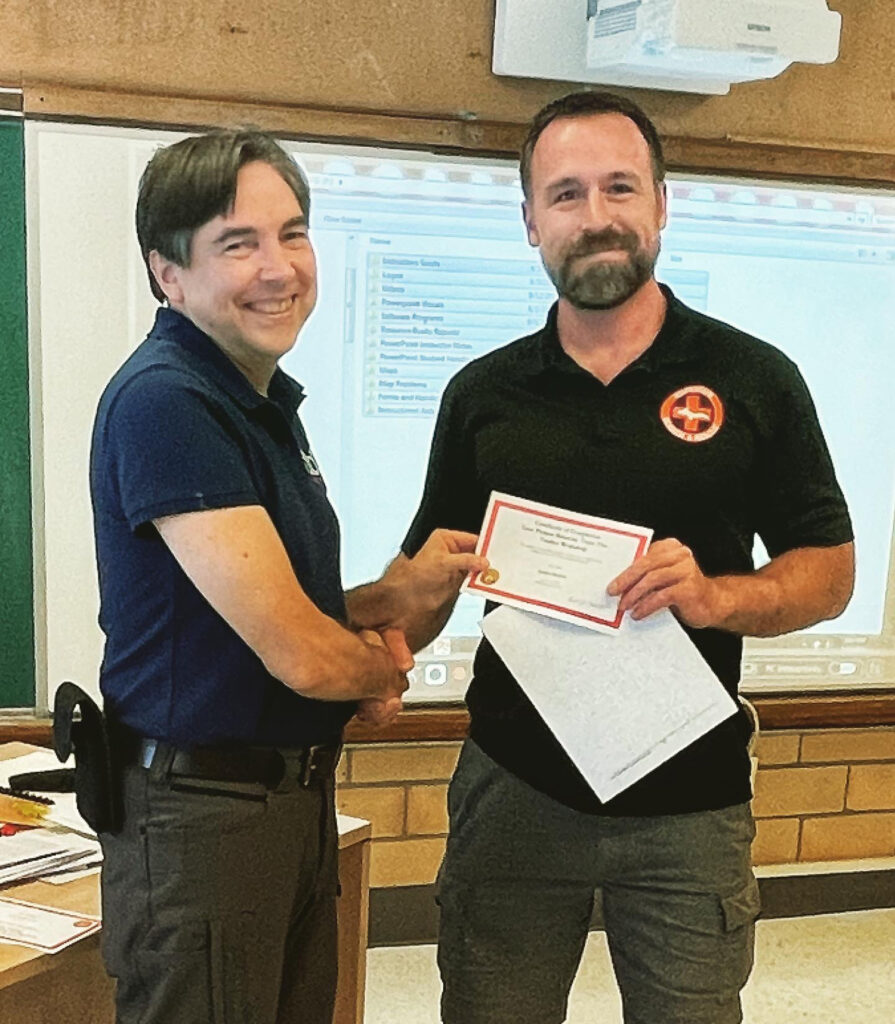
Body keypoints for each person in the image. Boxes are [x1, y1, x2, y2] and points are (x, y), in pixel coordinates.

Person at [399, 91, 855, 1024]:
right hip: (514, 790)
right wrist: (365, 651)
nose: (596, 216)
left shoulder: (756, 378)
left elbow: (830, 569)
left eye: (619, 187)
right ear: (530, 220)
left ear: (660, 203)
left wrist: (719, 597)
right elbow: (428, 568)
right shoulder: (483, 393)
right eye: (565, 194)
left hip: (690, 802)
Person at [89, 129, 485, 1024]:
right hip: (204, 820)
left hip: (276, 805)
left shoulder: (258, 400)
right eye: (239, 243)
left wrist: (393, 598)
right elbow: (301, 655)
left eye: (292, 233)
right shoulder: (170, 400)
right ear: (168, 273)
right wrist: (378, 669)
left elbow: (246, 610)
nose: (279, 267)